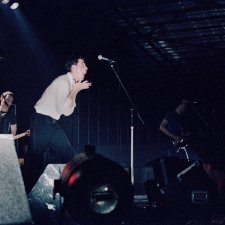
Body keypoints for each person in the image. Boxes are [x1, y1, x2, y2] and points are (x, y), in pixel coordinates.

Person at [26, 54, 91, 192]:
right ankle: (22, 196)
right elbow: (62, 110)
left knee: (70, 157)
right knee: (35, 161)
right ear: (73, 67)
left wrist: (74, 91)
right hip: (41, 121)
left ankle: (72, 191)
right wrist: (74, 91)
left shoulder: (71, 84)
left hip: (52, 123)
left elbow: (67, 112)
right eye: (83, 65)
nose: (86, 69)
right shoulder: (63, 81)